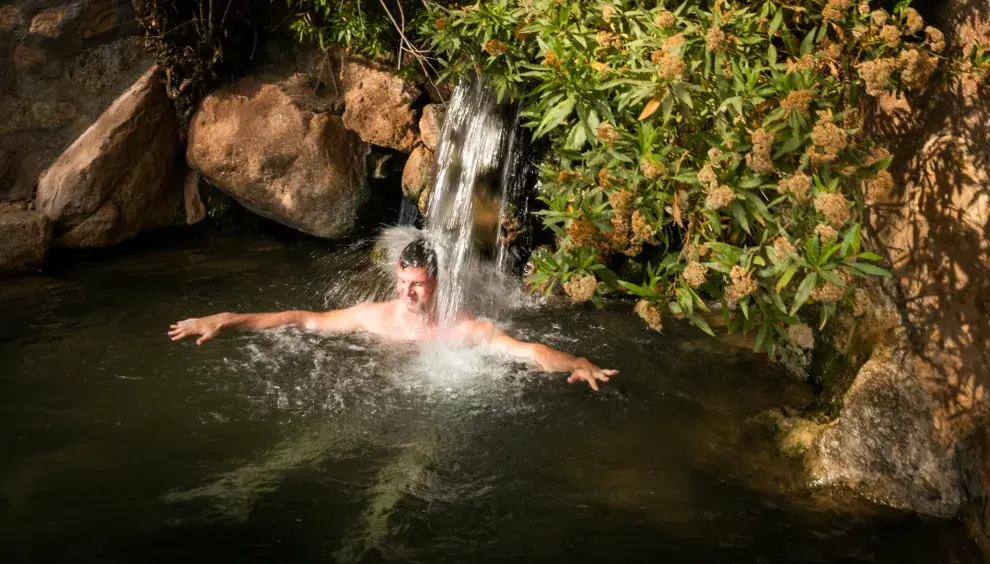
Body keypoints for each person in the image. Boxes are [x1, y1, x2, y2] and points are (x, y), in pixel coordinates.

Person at [169, 239, 617, 391]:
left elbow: (531, 352)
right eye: (402, 283)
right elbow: (302, 320)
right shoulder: (376, 317)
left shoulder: (465, 329)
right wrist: (228, 318)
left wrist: (575, 362)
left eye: (418, 284)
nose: (408, 293)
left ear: (438, 284)